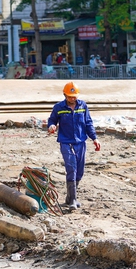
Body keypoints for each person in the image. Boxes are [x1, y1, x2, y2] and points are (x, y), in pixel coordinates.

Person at [47, 82, 100, 210]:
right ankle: (73, 200)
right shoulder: (59, 107)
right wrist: (51, 126)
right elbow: (52, 120)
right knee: (71, 168)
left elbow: (88, 123)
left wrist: (94, 138)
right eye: (70, 96)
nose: (72, 98)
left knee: (80, 172)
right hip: (66, 142)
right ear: (65, 94)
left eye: (74, 96)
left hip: (80, 142)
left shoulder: (83, 106)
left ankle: (70, 198)